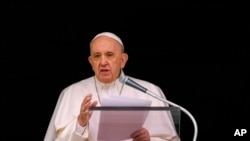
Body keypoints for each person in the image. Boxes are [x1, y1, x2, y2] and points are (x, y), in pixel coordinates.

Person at [44, 32, 179, 141]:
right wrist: (80, 123)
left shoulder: (150, 91)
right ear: (91, 62)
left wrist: (148, 140)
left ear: (122, 60)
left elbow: (169, 139)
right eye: (97, 56)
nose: (103, 62)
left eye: (109, 55)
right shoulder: (71, 92)